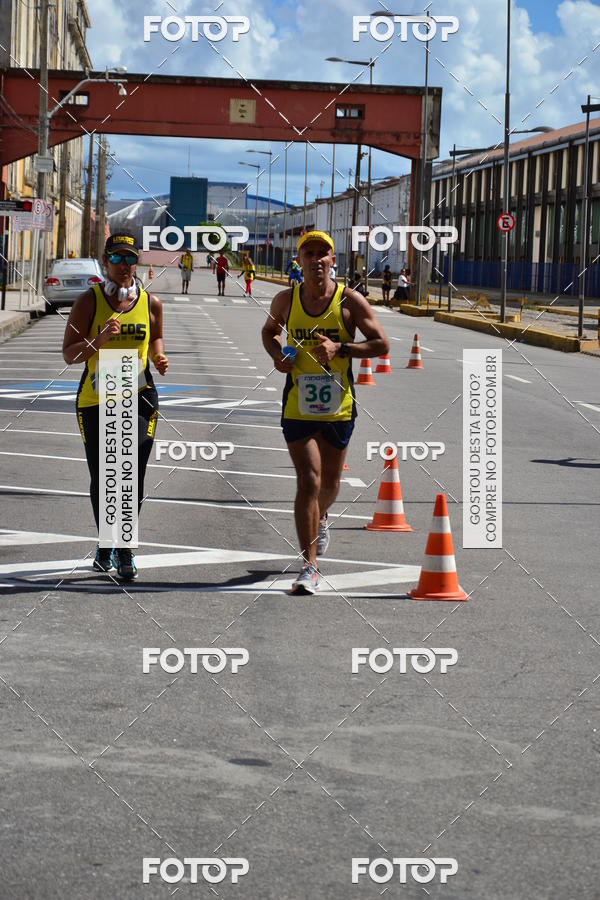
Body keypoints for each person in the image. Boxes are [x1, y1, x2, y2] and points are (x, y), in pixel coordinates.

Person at [261, 230, 389, 594]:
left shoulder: (351, 302)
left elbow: (381, 344)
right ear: (299, 261)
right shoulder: (286, 300)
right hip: (297, 405)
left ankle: (322, 517)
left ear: (334, 261)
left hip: (338, 407)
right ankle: (309, 565)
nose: (316, 259)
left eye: (323, 253)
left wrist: (341, 349)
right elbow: (269, 332)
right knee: (309, 480)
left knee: (329, 486)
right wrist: (277, 355)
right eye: (309, 253)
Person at [62, 232, 169, 581]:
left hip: (138, 395)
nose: (124, 266)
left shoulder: (151, 302)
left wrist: (159, 356)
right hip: (96, 398)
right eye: (117, 259)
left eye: (130, 258)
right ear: (106, 262)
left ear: (138, 262)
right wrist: (98, 340)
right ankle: (107, 541)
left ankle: (123, 547)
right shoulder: (88, 301)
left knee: (131, 472)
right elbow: (69, 354)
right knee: (106, 476)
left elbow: (155, 338)